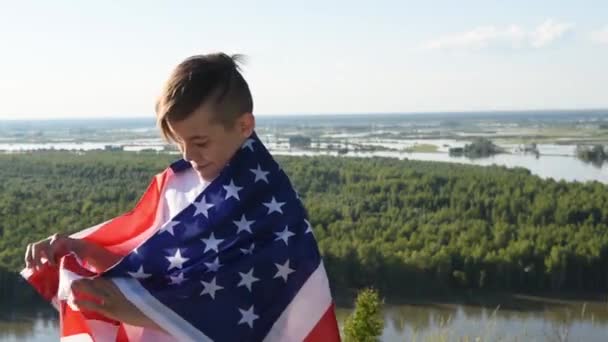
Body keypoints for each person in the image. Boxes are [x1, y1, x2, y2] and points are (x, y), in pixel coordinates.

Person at [24, 53, 260, 332]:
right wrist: (80, 249)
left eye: (200, 142)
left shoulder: (266, 208)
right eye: (179, 142)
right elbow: (149, 273)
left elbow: (243, 315)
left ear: (244, 126)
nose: (188, 155)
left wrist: (123, 309)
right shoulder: (179, 186)